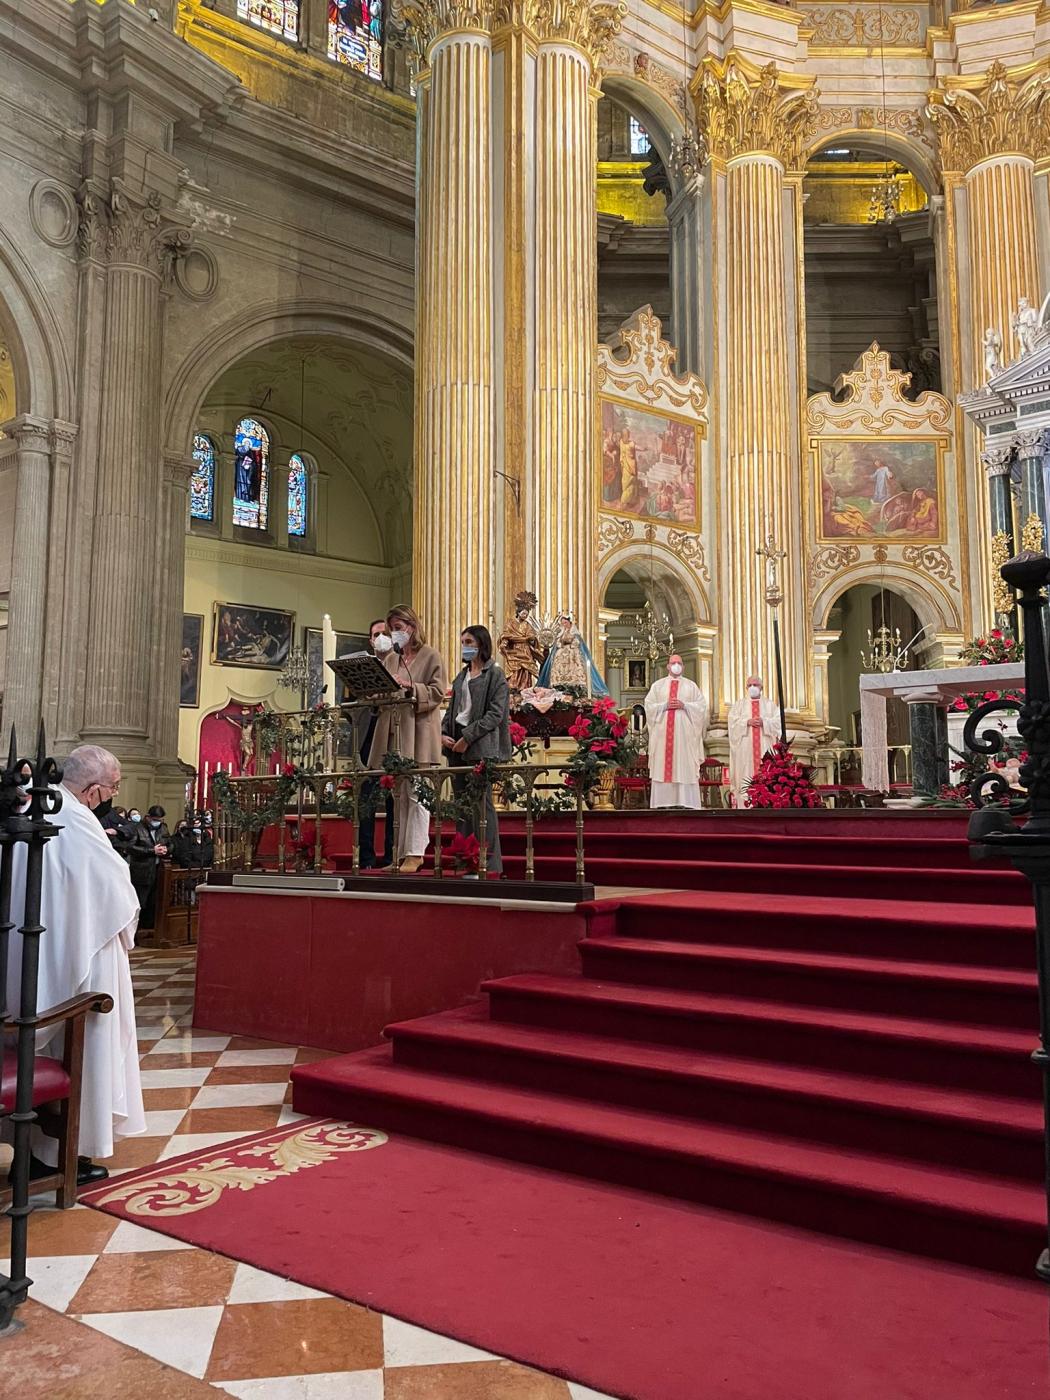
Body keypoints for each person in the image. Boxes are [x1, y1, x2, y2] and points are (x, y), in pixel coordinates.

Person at [4, 745, 145, 1181]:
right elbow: (117, 893)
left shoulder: (38, 806)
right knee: (87, 1044)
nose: (113, 797)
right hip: (87, 954)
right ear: (95, 790)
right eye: (114, 789)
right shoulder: (76, 819)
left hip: (38, 950)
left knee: (43, 1043)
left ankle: (38, 1151)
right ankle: (62, 1155)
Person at [367, 604, 447, 873]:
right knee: (399, 796)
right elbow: (383, 694)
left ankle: (415, 853)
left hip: (420, 733)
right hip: (395, 734)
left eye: (398, 628)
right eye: (392, 629)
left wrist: (411, 686)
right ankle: (399, 855)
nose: (395, 634)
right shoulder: (391, 659)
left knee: (418, 794)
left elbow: (438, 692)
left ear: (412, 627)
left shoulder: (431, 656)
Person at [442, 625, 512, 875]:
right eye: (462, 642)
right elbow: (452, 711)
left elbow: (495, 714)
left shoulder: (495, 675)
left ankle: (488, 864)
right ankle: (465, 861)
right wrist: (444, 734)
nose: (465, 646)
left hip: (480, 746)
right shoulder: (460, 677)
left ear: (481, 644)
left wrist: (468, 738)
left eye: (469, 641)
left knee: (482, 806)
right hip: (457, 746)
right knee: (462, 805)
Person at [643, 654, 709, 809]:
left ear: (683, 666)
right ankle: (662, 802)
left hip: (684, 737)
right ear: (667, 666)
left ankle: (686, 802)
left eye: (679, 663)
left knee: (683, 763)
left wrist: (685, 705)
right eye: (673, 663)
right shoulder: (658, 686)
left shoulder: (691, 686)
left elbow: (701, 707)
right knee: (663, 765)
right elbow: (649, 706)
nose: (676, 665)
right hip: (663, 735)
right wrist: (664, 705)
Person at [358, 617, 395, 870]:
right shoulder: (363, 667)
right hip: (368, 736)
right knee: (366, 800)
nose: (380, 638)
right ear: (371, 641)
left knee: (395, 799)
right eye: (376, 634)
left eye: (385, 633)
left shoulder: (401, 664)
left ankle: (392, 856)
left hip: (393, 736)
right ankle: (366, 858)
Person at [727, 675, 783, 804]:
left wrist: (765, 722)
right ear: (746, 687)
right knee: (745, 776)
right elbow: (732, 723)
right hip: (745, 750)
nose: (752, 687)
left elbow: (778, 723)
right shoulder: (739, 705)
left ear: (761, 687)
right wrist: (746, 722)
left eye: (755, 685)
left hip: (765, 747)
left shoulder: (770, 705)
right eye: (750, 685)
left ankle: (766, 804)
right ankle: (744, 805)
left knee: (765, 775)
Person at [537, 612, 609, 698]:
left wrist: (570, 642)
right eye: (563, 623)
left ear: (570, 623)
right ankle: (559, 686)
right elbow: (558, 644)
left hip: (572, 655)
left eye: (566, 623)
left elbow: (577, 643)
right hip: (561, 656)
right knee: (558, 670)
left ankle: (575, 688)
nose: (564, 625)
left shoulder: (575, 633)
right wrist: (561, 643)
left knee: (575, 669)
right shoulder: (561, 633)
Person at [123, 804, 170, 929]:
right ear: (148, 817)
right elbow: (130, 848)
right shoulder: (137, 828)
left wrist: (167, 849)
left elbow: (170, 843)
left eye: (160, 820)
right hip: (141, 871)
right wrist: (151, 850)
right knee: (140, 902)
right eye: (155, 820)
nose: (157, 822)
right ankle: (136, 930)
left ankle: (149, 930)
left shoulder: (163, 828)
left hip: (158, 870)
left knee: (154, 903)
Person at [497, 591, 545, 693]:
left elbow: (532, 636)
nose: (525, 616)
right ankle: (513, 691)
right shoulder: (510, 623)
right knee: (515, 672)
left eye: (526, 614)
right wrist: (504, 643)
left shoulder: (527, 625)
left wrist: (532, 639)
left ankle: (524, 691)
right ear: (518, 612)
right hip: (514, 650)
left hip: (525, 651)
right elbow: (506, 634)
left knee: (526, 672)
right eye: (523, 613)